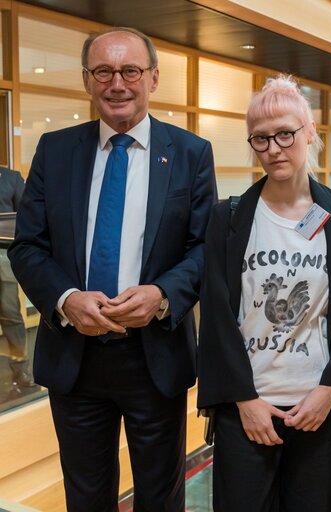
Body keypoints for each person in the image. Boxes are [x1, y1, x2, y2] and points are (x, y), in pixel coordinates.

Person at [8, 27, 217, 511]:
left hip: (155, 356)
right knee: (85, 496)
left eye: (130, 71)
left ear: (153, 78)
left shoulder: (190, 154)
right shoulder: (55, 151)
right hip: (74, 359)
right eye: (103, 71)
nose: (117, 83)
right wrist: (65, 299)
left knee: (161, 498)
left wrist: (162, 295)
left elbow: (204, 249)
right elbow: (27, 247)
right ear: (87, 80)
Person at [197, 75, 331, 512]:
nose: (273, 148)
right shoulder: (228, 219)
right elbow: (216, 316)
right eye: (260, 139)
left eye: (285, 134)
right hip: (248, 407)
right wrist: (245, 401)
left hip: (319, 407)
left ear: (310, 133)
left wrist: (329, 390)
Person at [0, 167, 34, 390]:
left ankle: (20, 369)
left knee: (10, 312)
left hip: (2, 255)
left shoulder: (11, 178)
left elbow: (26, 216)